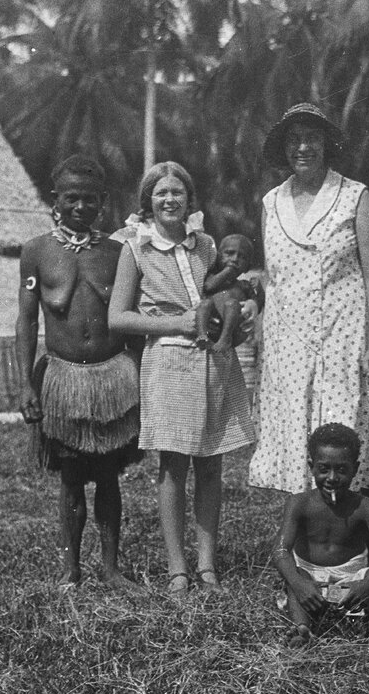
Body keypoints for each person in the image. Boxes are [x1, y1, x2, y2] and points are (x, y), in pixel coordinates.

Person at [249, 102, 369, 552]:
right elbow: (273, 278)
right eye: (294, 139)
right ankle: (305, 553)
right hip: (288, 344)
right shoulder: (271, 202)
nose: (303, 147)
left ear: (326, 143)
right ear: (283, 148)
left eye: (311, 138)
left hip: (343, 337)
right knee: (298, 445)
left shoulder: (354, 196)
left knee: (344, 439)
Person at [109, 163, 256, 599]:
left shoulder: (206, 245)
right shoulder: (135, 249)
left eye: (177, 192)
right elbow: (118, 317)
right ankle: (178, 569)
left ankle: (207, 567)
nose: (170, 200)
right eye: (161, 193)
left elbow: (222, 294)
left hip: (214, 361)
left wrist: (241, 318)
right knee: (173, 465)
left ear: (190, 200)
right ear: (148, 202)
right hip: (169, 362)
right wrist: (177, 322)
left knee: (211, 464)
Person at [16, 154, 143, 591]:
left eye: (90, 199)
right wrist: (24, 384)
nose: (80, 207)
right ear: (56, 199)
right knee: (71, 479)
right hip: (62, 379)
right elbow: (27, 320)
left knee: (108, 476)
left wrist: (138, 377)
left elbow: (133, 320)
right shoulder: (36, 252)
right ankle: (71, 570)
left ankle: (110, 569)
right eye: (72, 198)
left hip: (112, 379)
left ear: (102, 201)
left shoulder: (118, 253)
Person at [272, 423, 369, 649]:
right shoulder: (298, 503)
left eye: (342, 470)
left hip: (353, 584)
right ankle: (302, 631)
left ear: (355, 469)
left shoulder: (364, 506)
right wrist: (298, 583)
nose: (332, 478)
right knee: (296, 575)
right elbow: (280, 550)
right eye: (324, 469)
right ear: (311, 467)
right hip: (312, 585)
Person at [195, 232, 264, 355]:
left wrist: (259, 290)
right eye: (229, 253)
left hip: (234, 330)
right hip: (212, 325)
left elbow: (256, 306)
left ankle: (225, 338)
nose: (235, 259)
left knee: (232, 304)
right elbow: (208, 287)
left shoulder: (243, 285)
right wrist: (228, 271)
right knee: (205, 304)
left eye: (242, 257)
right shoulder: (212, 278)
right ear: (218, 257)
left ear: (247, 267)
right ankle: (201, 336)